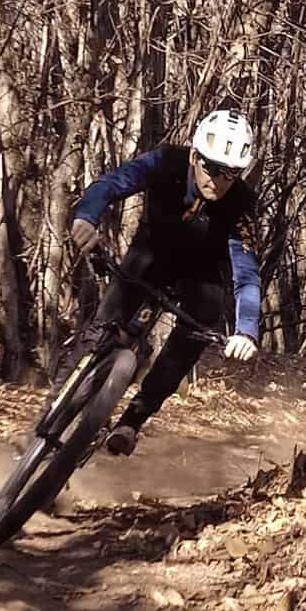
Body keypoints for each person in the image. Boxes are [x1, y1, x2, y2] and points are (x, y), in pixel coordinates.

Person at [63, 108, 264, 456]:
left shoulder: (242, 204)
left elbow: (246, 274)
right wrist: (87, 217)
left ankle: (133, 421)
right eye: (212, 168)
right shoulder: (166, 162)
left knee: (198, 326)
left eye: (230, 173)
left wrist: (247, 330)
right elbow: (111, 183)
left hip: (201, 274)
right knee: (99, 331)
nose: (218, 181)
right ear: (194, 155)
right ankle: (51, 416)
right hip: (150, 255)